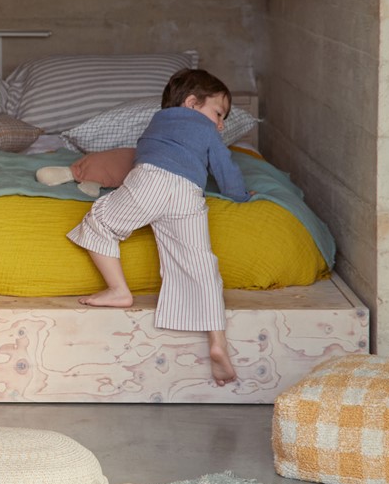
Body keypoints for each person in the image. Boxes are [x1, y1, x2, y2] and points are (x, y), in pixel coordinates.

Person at [66, 68, 251, 386]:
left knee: (99, 221)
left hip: (151, 180)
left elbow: (144, 153)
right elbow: (225, 168)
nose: (220, 124)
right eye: (219, 114)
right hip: (188, 193)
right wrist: (241, 196)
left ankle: (118, 290)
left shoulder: (157, 121)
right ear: (191, 103)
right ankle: (217, 342)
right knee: (201, 265)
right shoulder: (206, 131)